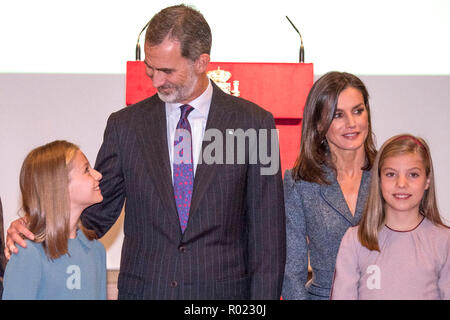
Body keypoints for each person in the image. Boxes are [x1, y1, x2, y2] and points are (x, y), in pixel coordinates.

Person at [6, 5, 285, 300]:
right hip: (145, 291)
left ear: (202, 62)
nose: (155, 81)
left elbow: (268, 235)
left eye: (167, 71)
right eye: (150, 70)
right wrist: (35, 230)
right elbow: (94, 215)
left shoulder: (255, 125)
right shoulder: (125, 126)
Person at [282, 71, 377, 299]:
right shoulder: (300, 183)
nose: (352, 123)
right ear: (318, 124)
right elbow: (291, 272)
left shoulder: (388, 174)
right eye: (338, 115)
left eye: (358, 111)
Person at [331, 134, 450, 300]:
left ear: (427, 180)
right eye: (391, 174)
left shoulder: (444, 241)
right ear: (379, 180)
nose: (401, 184)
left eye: (413, 174)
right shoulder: (355, 240)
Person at [2, 140, 106, 299]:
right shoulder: (28, 254)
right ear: (60, 185)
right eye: (86, 169)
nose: (98, 175)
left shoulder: (96, 251)